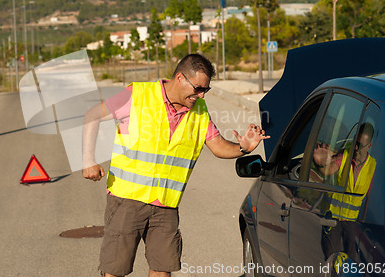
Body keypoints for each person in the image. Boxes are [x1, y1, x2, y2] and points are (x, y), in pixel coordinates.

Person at [82, 53, 269, 277]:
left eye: (205, 90)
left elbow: (218, 146)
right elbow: (92, 115)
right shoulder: (138, 95)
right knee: (115, 271)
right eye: (198, 88)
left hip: (166, 205)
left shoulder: (199, 111)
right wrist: (88, 161)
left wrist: (244, 148)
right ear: (180, 78)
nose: (200, 95)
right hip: (126, 200)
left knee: (163, 270)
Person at [312, 122, 376, 267]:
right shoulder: (345, 154)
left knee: (352, 265)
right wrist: (320, 163)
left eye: (360, 145)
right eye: (355, 143)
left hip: (354, 224)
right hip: (334, 218)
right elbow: (328, 170)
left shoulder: (373, 166)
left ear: (369, 146)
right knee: (332, 261)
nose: (356, 148)